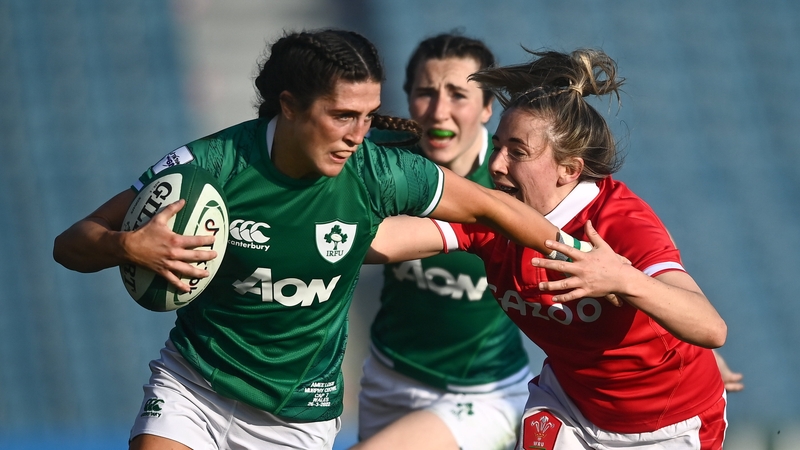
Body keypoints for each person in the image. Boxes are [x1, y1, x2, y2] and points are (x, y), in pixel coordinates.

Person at [52, 29, 591, 450]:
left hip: (299, 412)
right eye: (342, 117)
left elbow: (491, 206)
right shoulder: (211, 165)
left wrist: (582, 258)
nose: (358, 134)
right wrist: (126, 246)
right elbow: (70, 243)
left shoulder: (379, 171)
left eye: (366, 117)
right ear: (288, 106)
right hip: (195, 383)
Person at [367, 48, 729, 449]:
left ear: (569, 170)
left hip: (670, 423)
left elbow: (711, 328)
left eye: (517, 152)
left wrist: (622, 278)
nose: (498, 164)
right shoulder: (497, 211)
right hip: (568, 407)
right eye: (498, 145)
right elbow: (378, 242)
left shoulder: (618, 223)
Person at [352, 34, 530, 450]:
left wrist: (686, 349)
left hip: (482, 392)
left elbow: (612, 256)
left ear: (488, 108)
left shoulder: (517, 181)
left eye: (457, 95)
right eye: (426, 93)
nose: (439, 111)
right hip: (386, 375)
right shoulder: (379, 158)